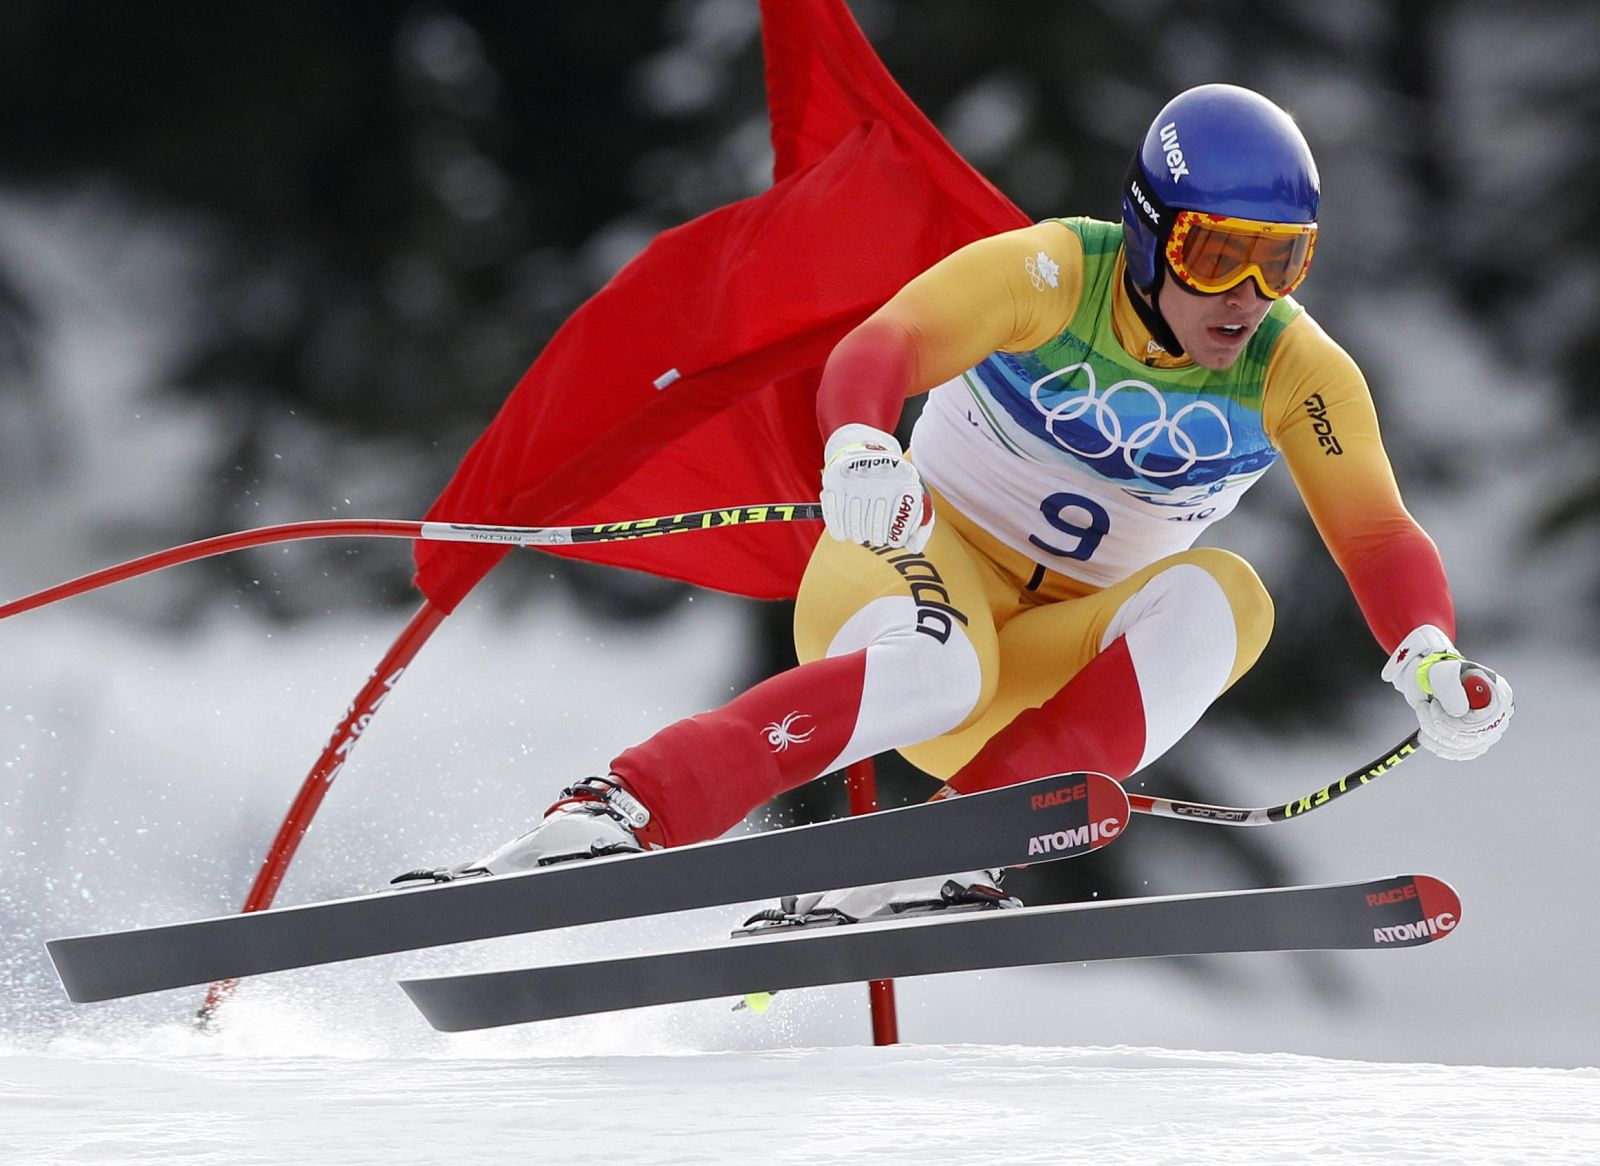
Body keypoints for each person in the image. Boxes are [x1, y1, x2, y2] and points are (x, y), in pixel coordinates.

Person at [397, 84, 1514, 921]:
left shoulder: (1291, 368)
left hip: (1043, 663)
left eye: (1284, 262)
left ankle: (957, 840)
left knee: (1234, 597)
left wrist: (1424, 650)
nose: (1247, 297)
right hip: (909, 581)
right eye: (1217, 255)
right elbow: (881, 345)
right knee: (946, 660)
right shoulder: (1048, 275)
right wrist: (859, 448)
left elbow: (1374, 526)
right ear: (1146, 229)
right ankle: (621, 807)